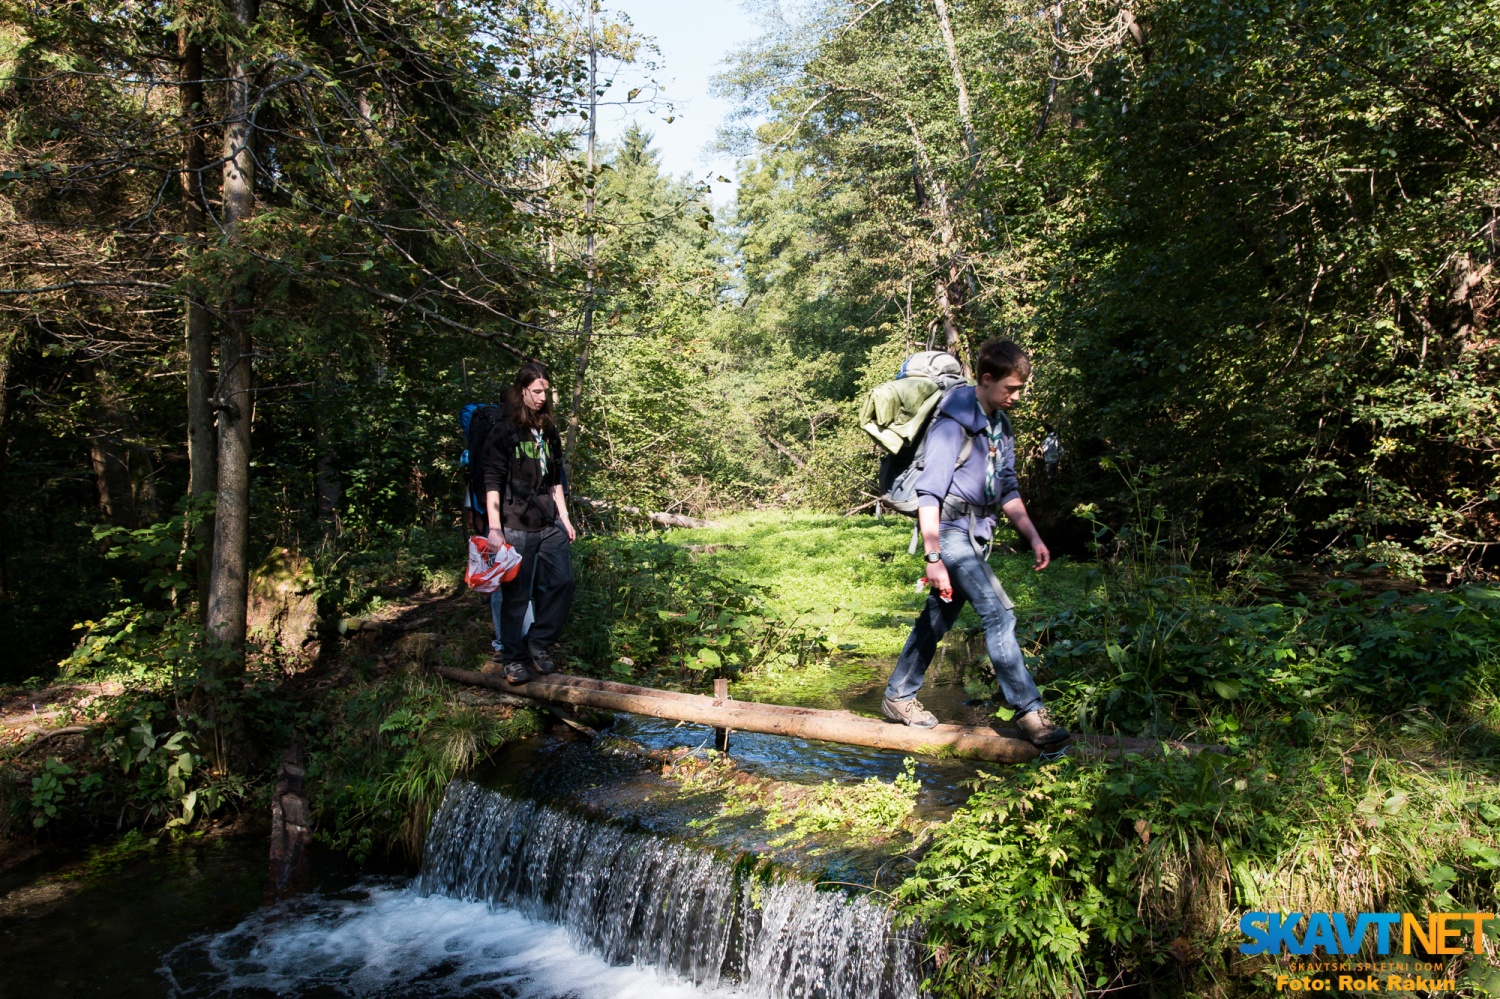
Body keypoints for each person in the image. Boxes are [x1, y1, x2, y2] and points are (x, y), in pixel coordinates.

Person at [881, 340, 1069, 747]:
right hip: (948, 532)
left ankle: (898, 695)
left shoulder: (1000, 425)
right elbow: (929, 494)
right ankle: (1031, 714)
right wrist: (933, 557)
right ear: (986, 380)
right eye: (1011, 388)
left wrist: (1034, 536)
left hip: (977, 534)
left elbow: (1007, 489)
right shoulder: (952, 424)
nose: (1017, 396)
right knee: (999, 614)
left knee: (939, 616)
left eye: (1020, 388)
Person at [480, 362, 577, 683]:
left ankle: (538, 641)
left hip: (549, 520)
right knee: (517, 595)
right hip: (515, 524)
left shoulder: (548, 429)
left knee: (563, 581)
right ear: (522, 391)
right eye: (536, 391)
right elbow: (491, 479)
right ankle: (513, 658)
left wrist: (564, 517)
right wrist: (494, 527)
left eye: (545, 391)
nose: (541, 397)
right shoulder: (504, 430)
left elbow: (555, 477)